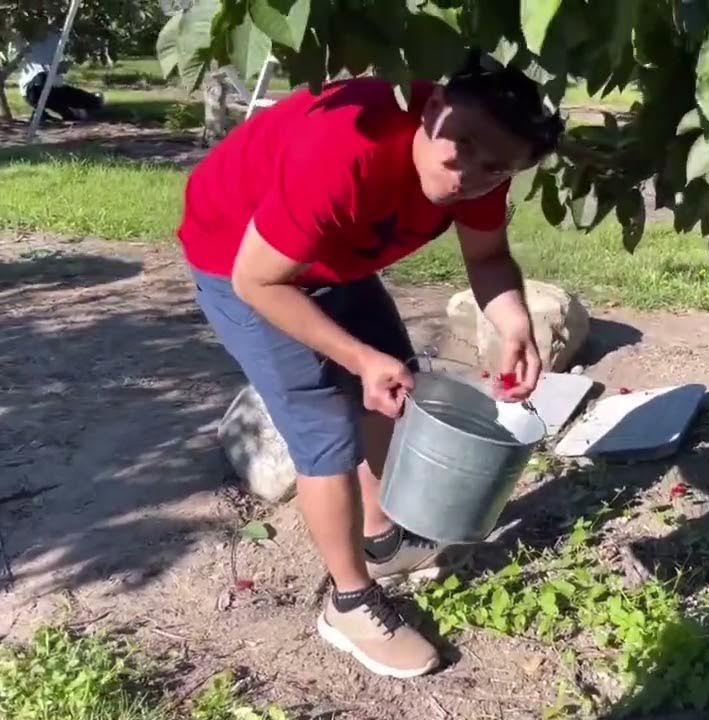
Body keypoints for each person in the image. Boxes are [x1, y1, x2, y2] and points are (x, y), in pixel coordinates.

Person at [175, 51, 563, 678]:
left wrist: (513, 321)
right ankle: (349, 604)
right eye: (461, 146)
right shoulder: (343, 154)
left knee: (396, 383)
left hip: (334, 257)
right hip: (241, 264)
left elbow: (489, 260)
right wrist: (356, 357)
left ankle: (380, 536)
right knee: (324, 430)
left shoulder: (486, 159)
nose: (471, 173)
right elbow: (259, 281)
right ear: (433, 108)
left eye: (496, 169)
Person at [17, 32, 103, 121]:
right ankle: (46, 112)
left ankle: (52, 113)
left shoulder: (59, 35)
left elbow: (67, 60)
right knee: (41, 80)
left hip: (54, 88)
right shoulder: (26, 37)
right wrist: (54, 68)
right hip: (34, 88)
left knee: (93, 103)